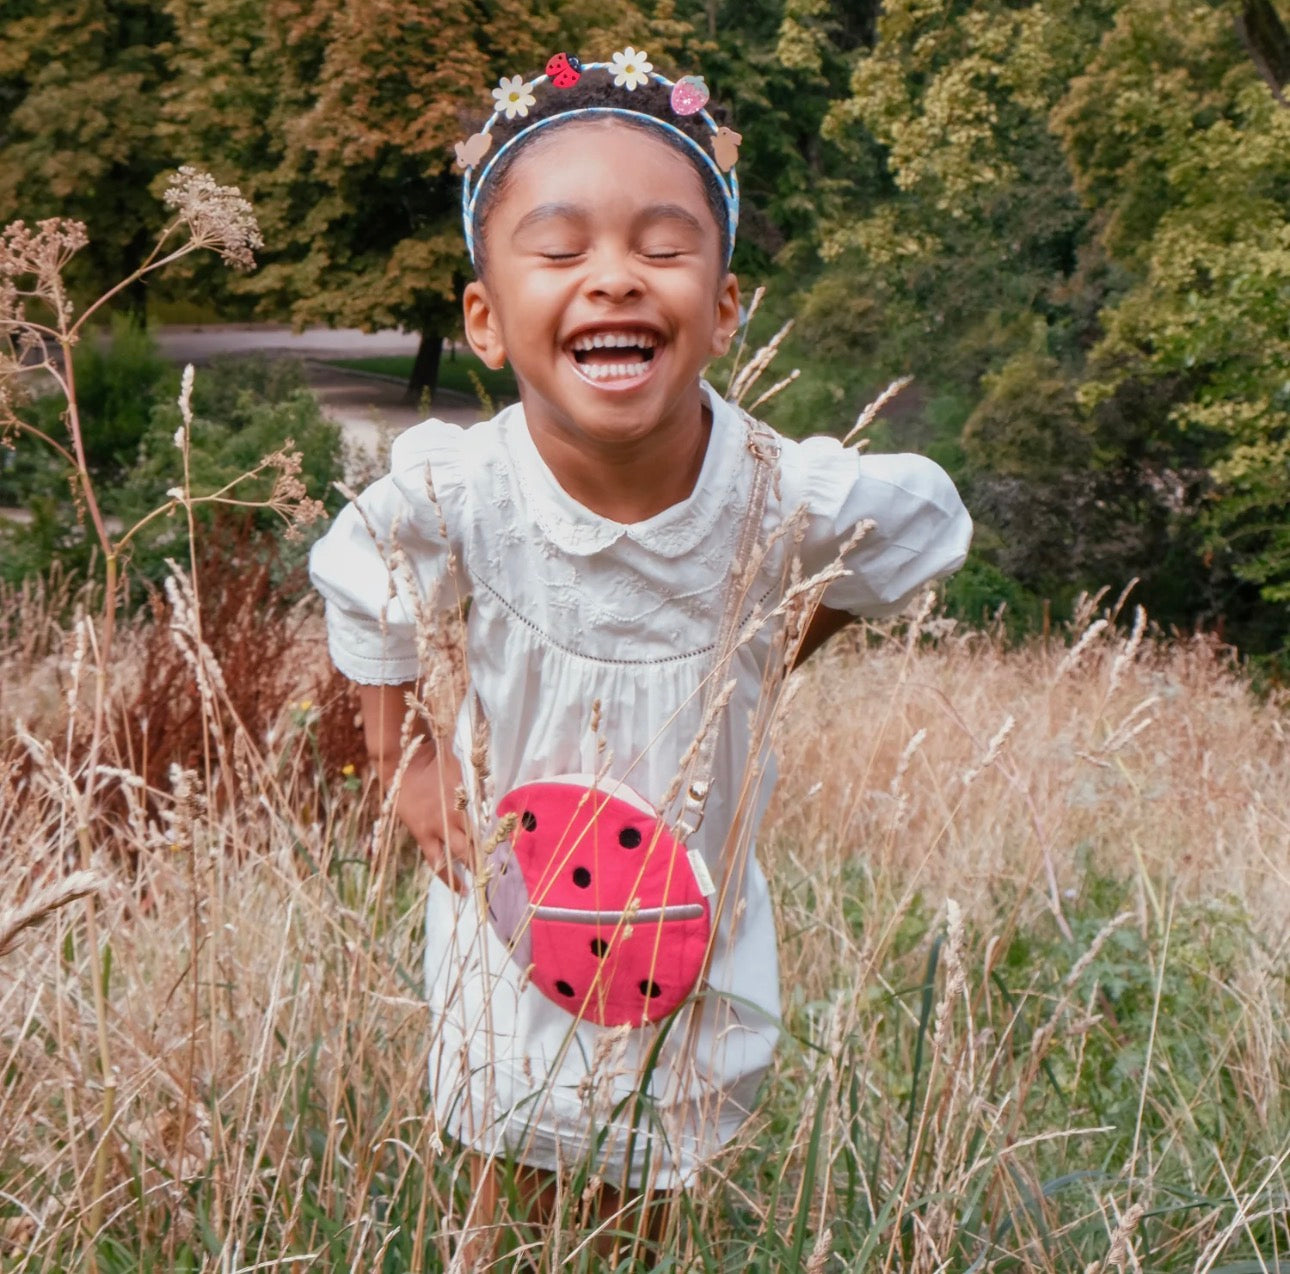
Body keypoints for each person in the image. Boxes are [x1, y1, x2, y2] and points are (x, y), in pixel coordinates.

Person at [309, 47, 971, 1263]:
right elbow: (362, 577)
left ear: (721, 307)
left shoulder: (779, 493)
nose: (613, 279)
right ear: (488, 319)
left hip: (685, 917)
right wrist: (400, 759)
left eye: (663, 250)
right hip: (511, 903)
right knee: (507, 1174)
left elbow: (922, 522)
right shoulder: (465, 487)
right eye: (559, 253)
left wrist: (773, 639)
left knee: (654, 1186)